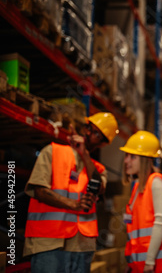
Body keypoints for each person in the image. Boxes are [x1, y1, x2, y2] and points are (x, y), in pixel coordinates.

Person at [24, 112, 119, 273]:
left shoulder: (98, 169)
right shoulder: (52, 152)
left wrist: (84, 154)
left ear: (103, 143)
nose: (88, 133)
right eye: (89, 128)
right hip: (48, 241)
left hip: (82, 244)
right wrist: (73, 204)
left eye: (96, 133)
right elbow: (38, 190)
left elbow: (98, 187)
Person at [121, 130, 162, 273]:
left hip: (154, 264)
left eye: (132, 157)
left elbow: (160, 222)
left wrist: (150, 261)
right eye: (127, 156)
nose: (126, 161)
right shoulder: (138, 186)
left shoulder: (155, 182)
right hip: (140, 262)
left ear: (145, 159)